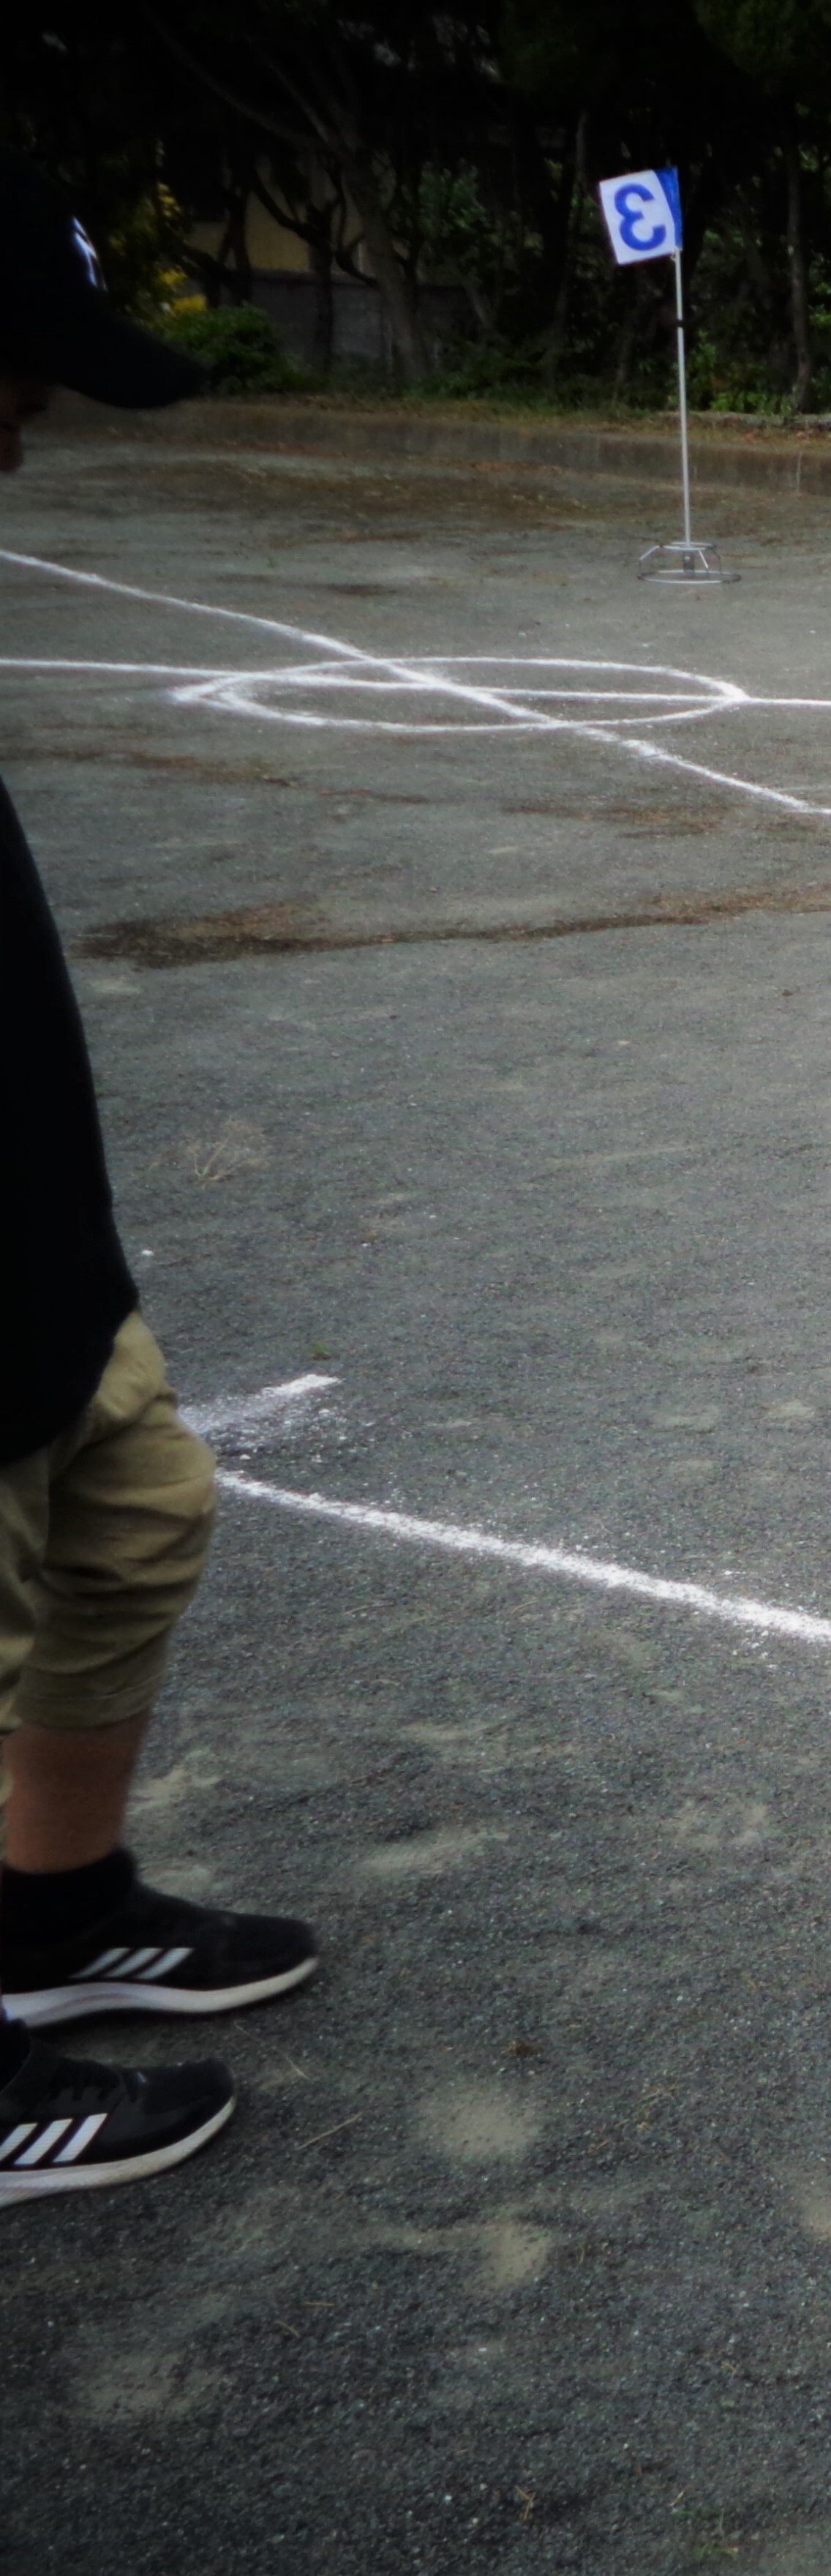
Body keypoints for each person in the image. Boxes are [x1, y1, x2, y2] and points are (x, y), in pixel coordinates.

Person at [0, 155, 321, 2195]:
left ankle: (51, 1911)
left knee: (132, 1507)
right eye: (17, 373)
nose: (29, 423)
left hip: (30, 1190)